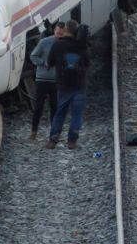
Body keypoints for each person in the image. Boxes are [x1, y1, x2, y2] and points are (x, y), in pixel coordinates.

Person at [45, 19, 91, 149]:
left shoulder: (57, 45)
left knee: (60, 113)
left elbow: (49, 63)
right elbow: (87, 64)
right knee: (76, 114)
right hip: (79, 85)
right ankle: (72, 141)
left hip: (63, 85)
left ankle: (53, 140)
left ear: (65, 30)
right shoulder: (82, 46)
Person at [28, 21, 64, 140]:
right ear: (54, 31)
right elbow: (33, 56)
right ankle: (34, 131)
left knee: (55, 107)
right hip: (42, 79)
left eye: (61, 34)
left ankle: (54, 133)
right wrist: (43, 63)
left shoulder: (65, 44)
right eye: (57, 33)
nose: (59, 36)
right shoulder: (44, 42)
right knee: (39, 106)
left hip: (56, 80)